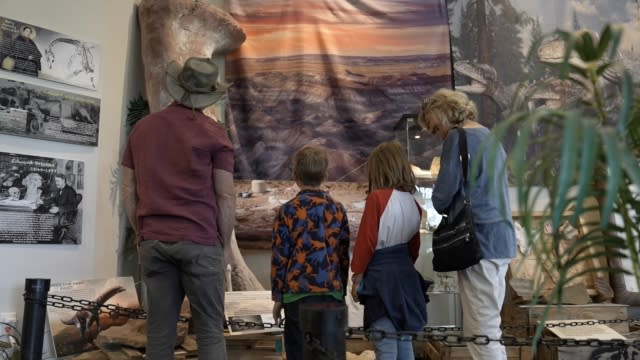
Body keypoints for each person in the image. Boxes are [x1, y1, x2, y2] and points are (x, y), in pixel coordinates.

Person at [121, 56, 235, 360]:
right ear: (208, 93)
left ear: (177, 87)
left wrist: (140, 230)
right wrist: (223, 245)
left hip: (154, 241)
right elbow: (224, 195)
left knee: (159, 334)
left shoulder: (142, 129)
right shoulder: (214, 134)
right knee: (210, 332)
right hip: (199, 240)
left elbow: (129, 189)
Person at [418, 88, 516, 360]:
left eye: (435, 127)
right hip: (500, 239)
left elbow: (442, 195)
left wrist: (438, 200)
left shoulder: (457, 137)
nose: (438, 134)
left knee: (481, 329)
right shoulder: (489, 136)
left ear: (443, 115)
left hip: (478, 240)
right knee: (489, 323)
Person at [271, 145, 351, 360]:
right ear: (325, 174)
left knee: (299, 353)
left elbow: (280, 256)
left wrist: (278, 296)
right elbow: (343, 255)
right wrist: (340, 289)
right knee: (330, 354)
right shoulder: (337, 209)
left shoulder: (287, 211)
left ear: (295, 176)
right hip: (331, 293)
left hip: (297, 294)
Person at [350, 141, 428, 360]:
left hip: (381, 279)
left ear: (377, 170)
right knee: (405, 345)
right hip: (406, 279)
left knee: (385, 346)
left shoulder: (377, 199)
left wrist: (357, 275)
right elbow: (414, 249)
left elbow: (366, 242)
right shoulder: (414, 204)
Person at [47, 173, 80, 242]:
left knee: (46, 220)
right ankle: (53, 236)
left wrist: (59, 209)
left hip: (66, 216)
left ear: (63, 180)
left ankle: (54, 239)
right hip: (60, 214)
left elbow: (73, 206)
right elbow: (55, 199)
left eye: (58, 181)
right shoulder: (59, 190)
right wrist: (46, 200)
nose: (56, 183)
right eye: (56, 181)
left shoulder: (70, 190)